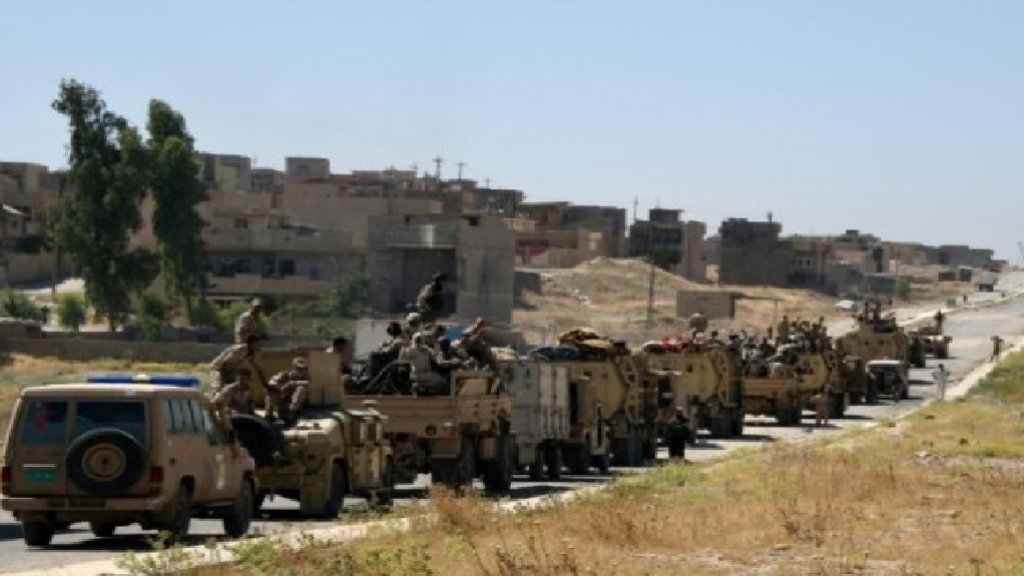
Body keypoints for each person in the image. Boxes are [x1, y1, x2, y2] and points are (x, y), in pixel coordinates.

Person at [265, 357, 310, 423]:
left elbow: (307, 383)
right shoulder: (285, 375)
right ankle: (269, 415)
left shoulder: (305, 378)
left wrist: (291, 383)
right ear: (294, 367)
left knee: (301, 389)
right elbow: (272, 383)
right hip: (281, 400)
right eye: (298, 369)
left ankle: (291, 414)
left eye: (303, 369)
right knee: (270, 391)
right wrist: (279, 387)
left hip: (292, 406)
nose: (301, 371)